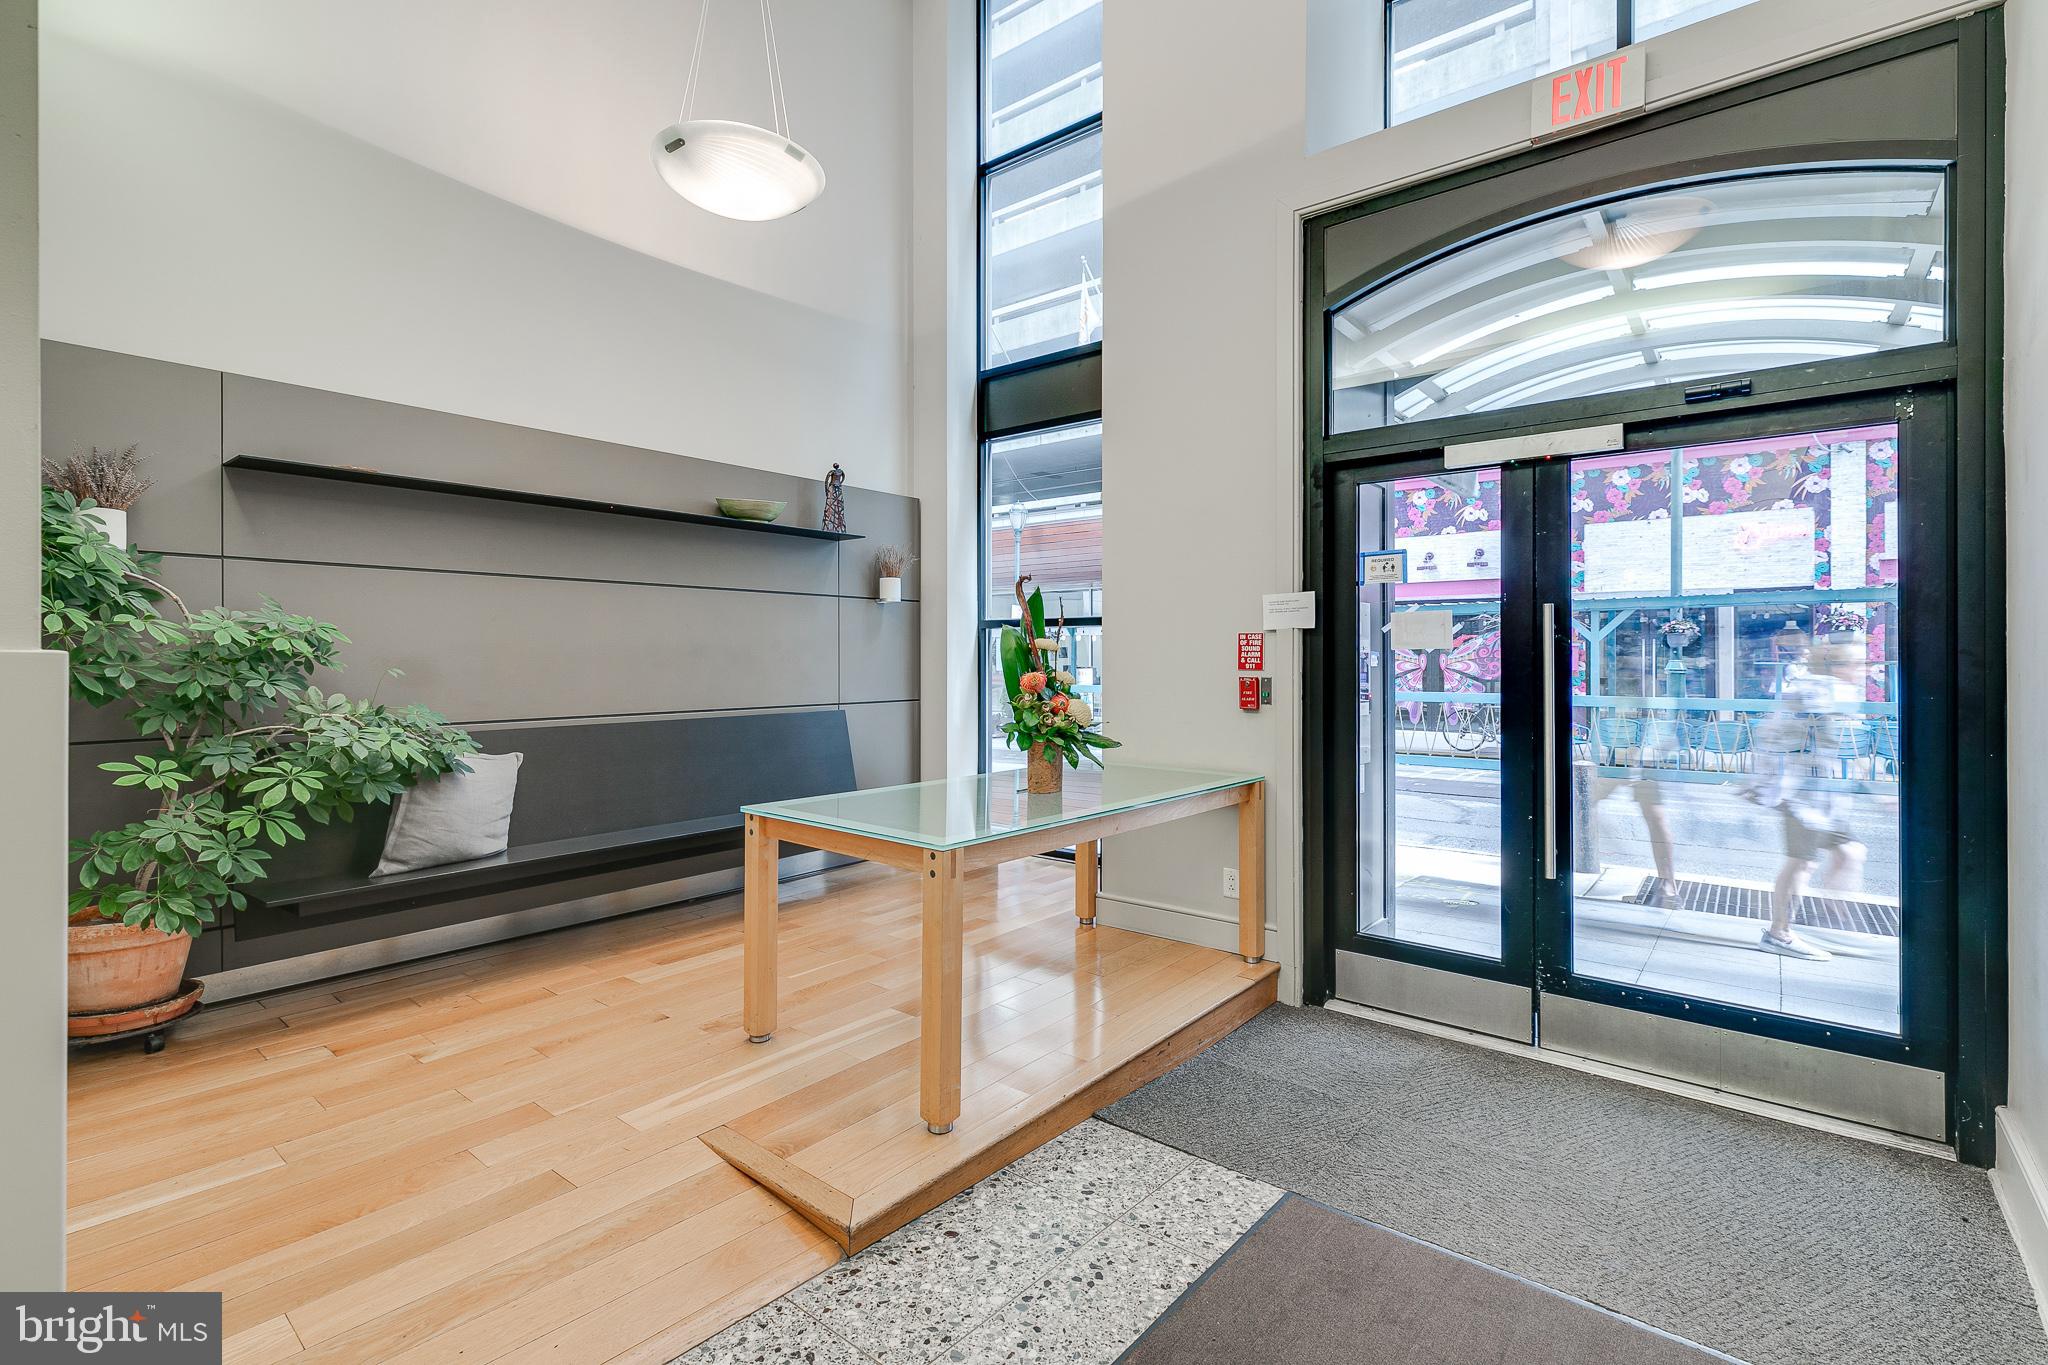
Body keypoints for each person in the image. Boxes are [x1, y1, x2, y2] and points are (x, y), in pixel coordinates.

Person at [1753, 634, 1868, 961]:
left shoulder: (1838, 693)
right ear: (1837, 666)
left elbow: (1838, 744)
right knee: (1802, 862)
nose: (1865, 669)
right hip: (1803, 796)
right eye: (1858, 663)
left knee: (1851, 852)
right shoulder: (1813, 693)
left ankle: (1834, 924)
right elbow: (1781, 737)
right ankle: (1780, 932)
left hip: (1824, 795)